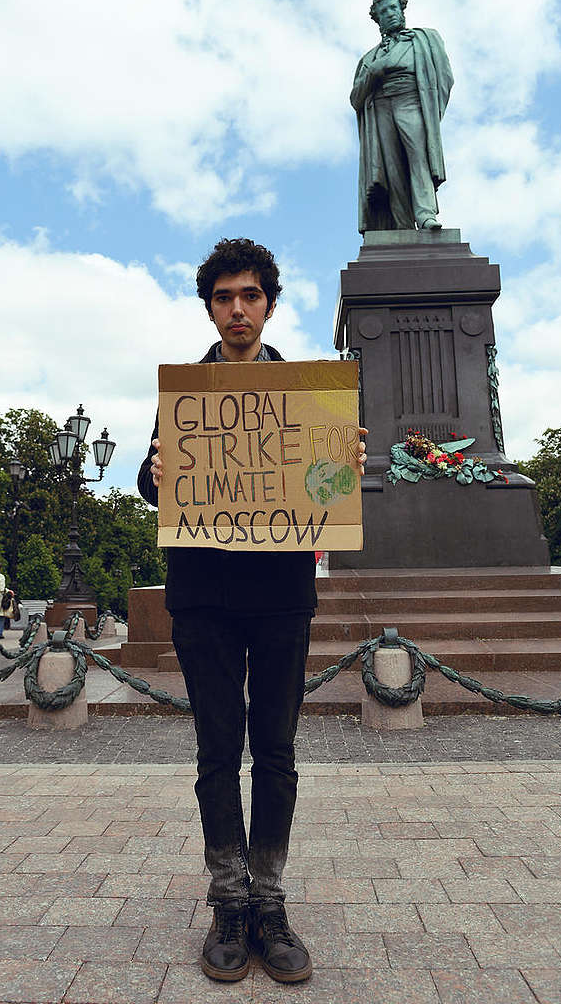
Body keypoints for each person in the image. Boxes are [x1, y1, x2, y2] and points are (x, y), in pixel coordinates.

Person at [138, 238, 367, 985]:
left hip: (277, 595)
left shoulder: (309, 395)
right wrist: (155, 470)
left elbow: (324, 485)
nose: (236, 309)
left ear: (269, 303)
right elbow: (150, 479)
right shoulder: (185, 392)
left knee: (275, 751)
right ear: (208, 306)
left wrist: (344, 466)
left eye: (249, 296)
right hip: (201, 593)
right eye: (223, 297)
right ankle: (227, 903)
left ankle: (269, 901)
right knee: (214, 753)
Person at [350, 0, 453, 232]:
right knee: (392, 168)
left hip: (411, 100)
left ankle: (426, 214)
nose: (390, 14)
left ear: (402, 11)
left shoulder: (425, 39)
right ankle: (402, 224)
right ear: (377, 19)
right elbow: (356, 98)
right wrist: (374, 72)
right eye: (384, 11)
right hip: (381, 107)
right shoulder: (369, 58)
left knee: (419, 158)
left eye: (393, 8)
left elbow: (445, 78)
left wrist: (432, 112)